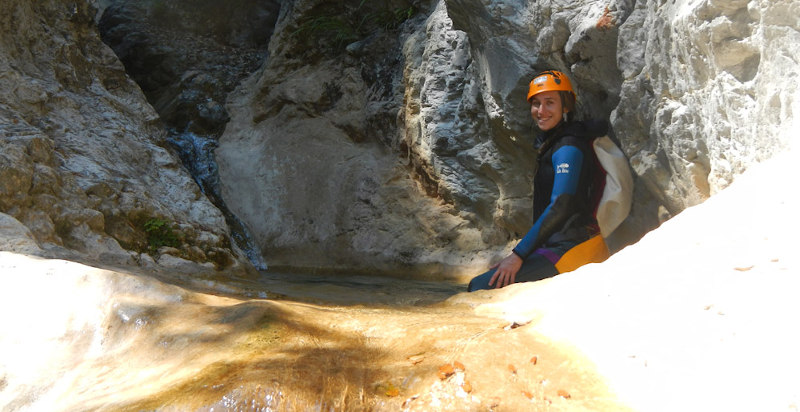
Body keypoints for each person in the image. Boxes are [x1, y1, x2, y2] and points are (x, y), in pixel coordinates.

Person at [468, 70, 611, 291]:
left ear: (566, 107)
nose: (541, 111)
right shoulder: (555, 143)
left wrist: (518, 255)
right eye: (536, 104)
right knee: (488, 279)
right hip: (557, 245)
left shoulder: (569, 146)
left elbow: (561, 204)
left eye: (550, 103)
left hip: (573, 247)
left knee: (478, 288)